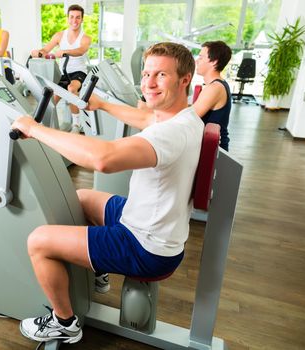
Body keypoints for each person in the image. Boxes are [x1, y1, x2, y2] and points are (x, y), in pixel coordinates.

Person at [12, 42, 203, 344]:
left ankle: (64, 322)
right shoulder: (184, 117)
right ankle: (97, 268)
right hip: (148, 222)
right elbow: (144, 119)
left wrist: (34, 129)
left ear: (185, 79)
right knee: (83, 199)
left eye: (161, 75)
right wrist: (101, 104)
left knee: (38, 241)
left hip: (145, 246)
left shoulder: (172, 134)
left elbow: (103, 159)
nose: (149, 83)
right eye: (146, 73)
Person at [30, 4, 91, 133]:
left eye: (78, 18)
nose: (74, 20)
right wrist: (39, 52)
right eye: (72, 17)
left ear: (82, 19)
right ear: (68, 18)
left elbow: (81, 51)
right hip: (63, 73)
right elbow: (46, 50)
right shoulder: (59, 36)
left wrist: (64, 52)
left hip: (79, 72)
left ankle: (76, 125)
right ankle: (45, 124)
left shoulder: (86, 38)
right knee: (51, 97)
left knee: (71, 89)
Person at [193, 41, 232, 151]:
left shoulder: (215, 88)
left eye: (201, 57)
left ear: (214, 62)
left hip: (214, 152)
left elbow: (189, 118)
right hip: (210, 147)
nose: (197, 61)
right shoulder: (216, 84)